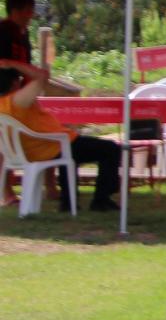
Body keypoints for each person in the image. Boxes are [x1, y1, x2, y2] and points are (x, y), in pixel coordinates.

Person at [1, 65, 123, 211]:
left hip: (35, 149)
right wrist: (13, 63)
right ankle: (102, 199)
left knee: (71, 154)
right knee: (111, 148)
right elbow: (42, 76)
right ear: (14, 83)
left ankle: (68, 202)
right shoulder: (16, 101)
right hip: (50, 146)